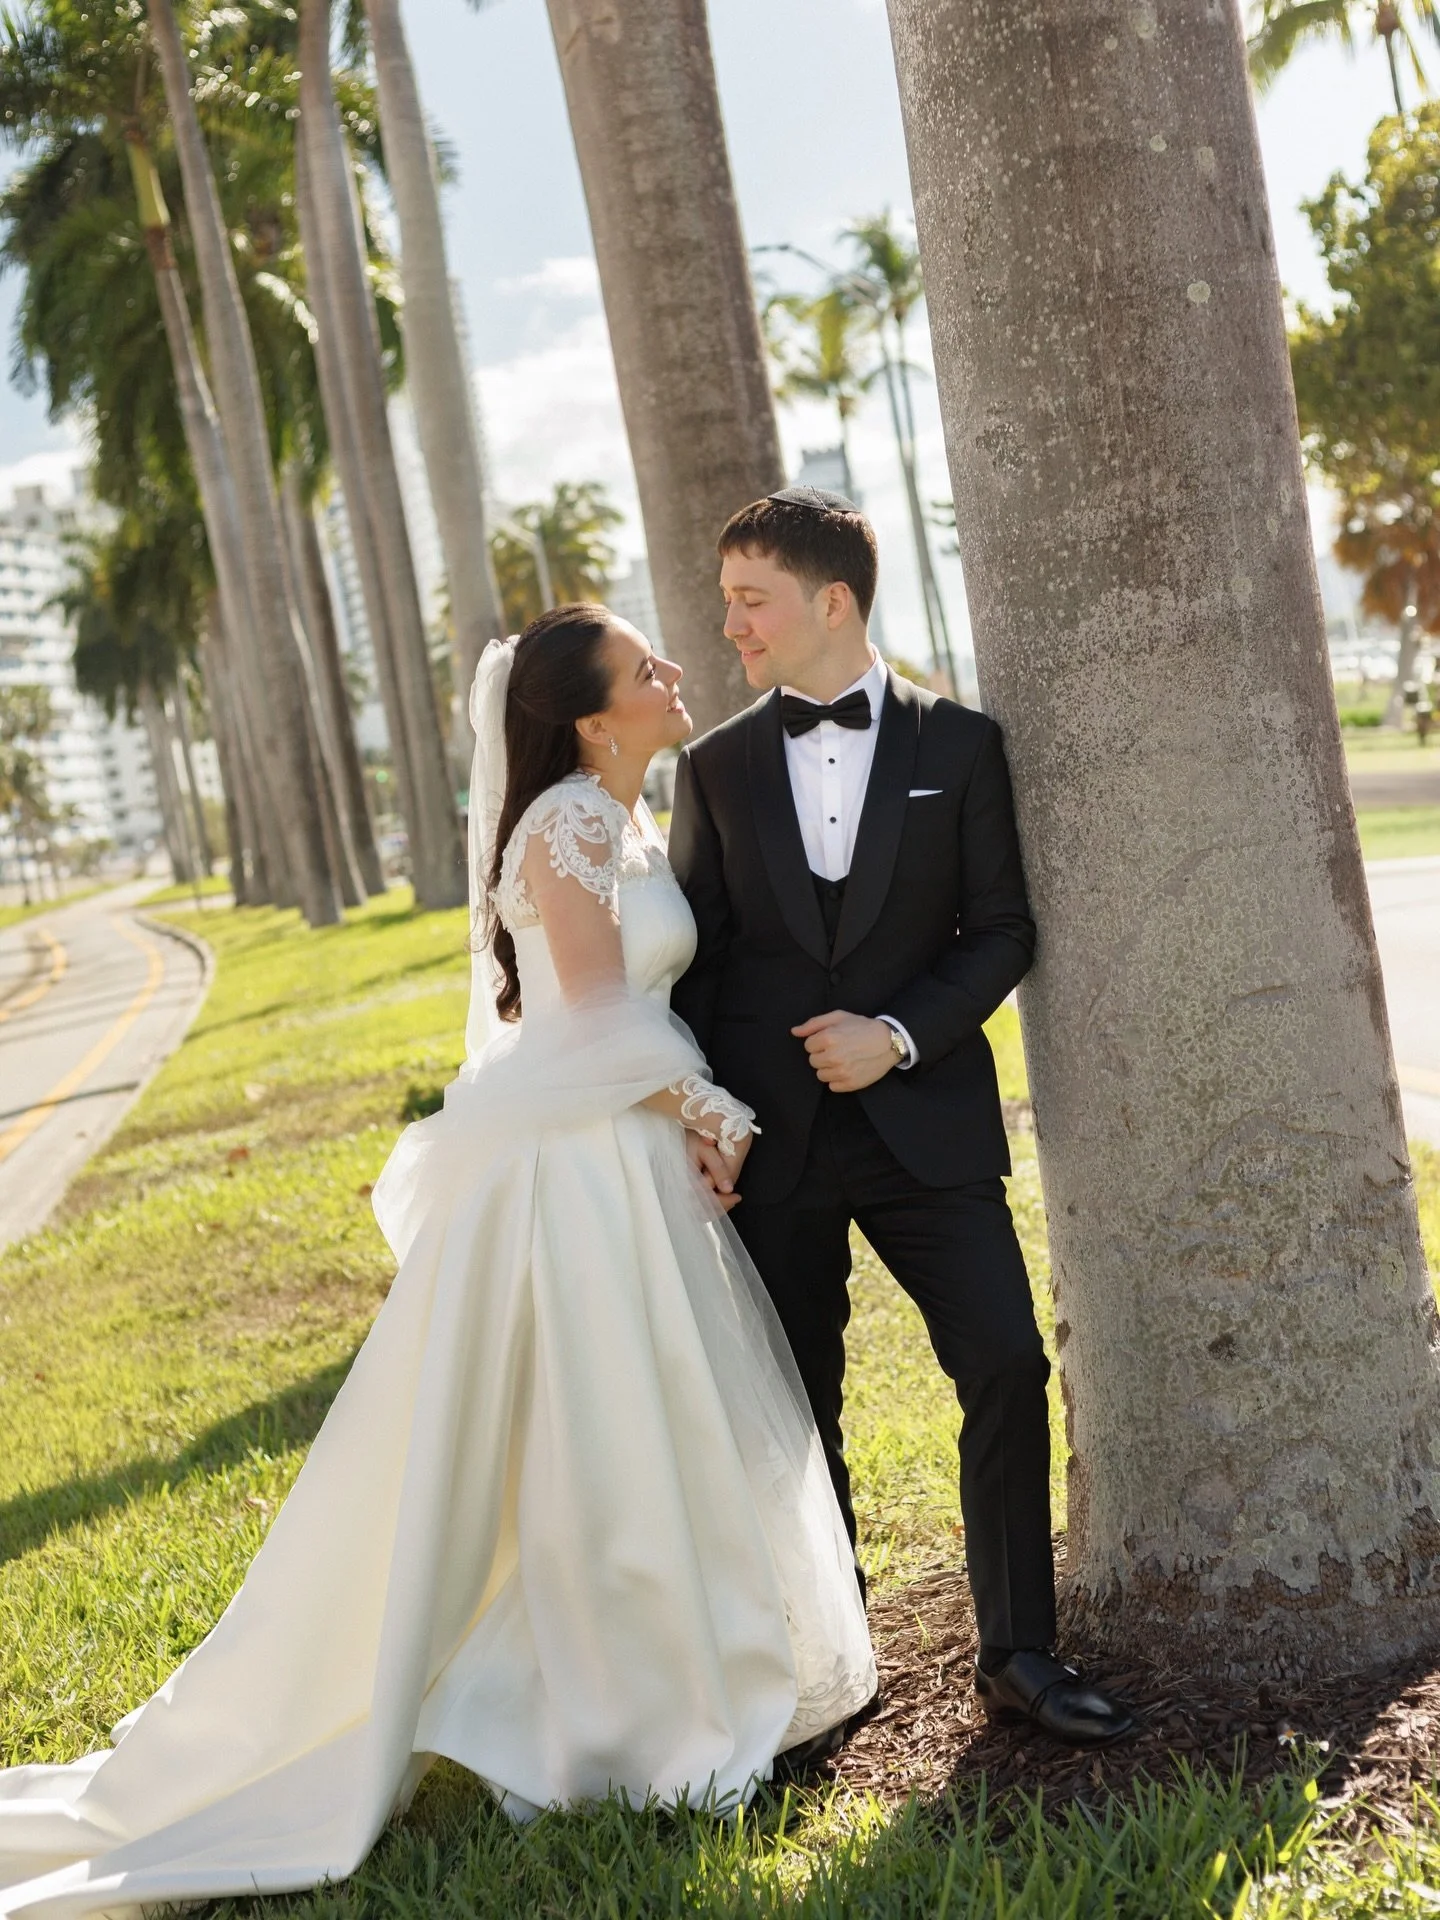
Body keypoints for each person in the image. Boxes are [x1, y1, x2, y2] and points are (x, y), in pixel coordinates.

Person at [0, 604, 875, 1919]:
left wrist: (692, 1119)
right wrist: (714, 1112)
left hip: (627, 1152)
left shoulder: (622, 816)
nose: (672, 672)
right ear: (592, 718)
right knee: (606, 1425)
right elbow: (591, 1024)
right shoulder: (568, 822)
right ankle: (629, 1716)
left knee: (652, 1418)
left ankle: (677, 1674)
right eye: (644, 667)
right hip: (581, 1168)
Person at [668, 488, 1134, 1752]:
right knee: (797, 1404)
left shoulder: (962, 746)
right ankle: (832, 1670)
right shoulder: (713, 767)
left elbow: (1004, 929)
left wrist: (900, 1033)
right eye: (727, 601)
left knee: (1006, 1363)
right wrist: (707, 1118)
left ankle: (1019, 1654)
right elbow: (700, 962)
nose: (732, 625)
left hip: (927, 1123)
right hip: (771, 1144)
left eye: (752, 600)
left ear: (832, 602)